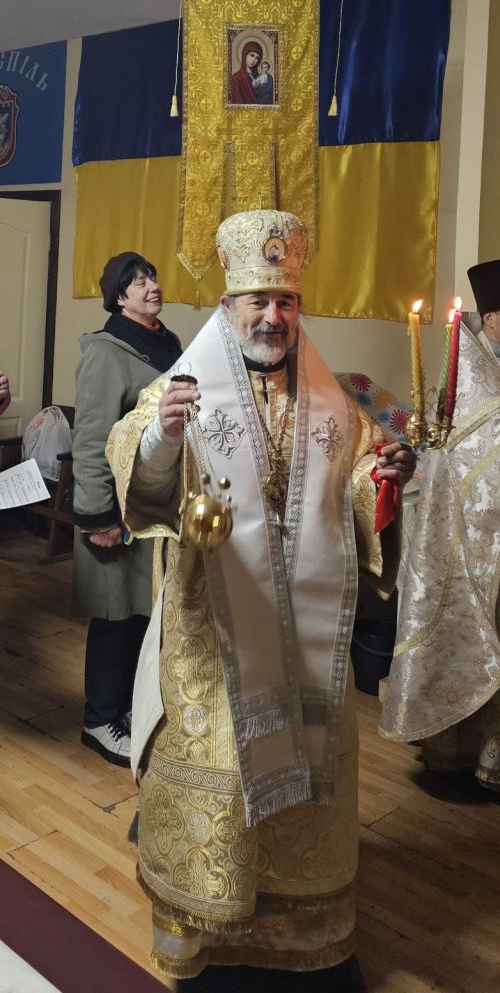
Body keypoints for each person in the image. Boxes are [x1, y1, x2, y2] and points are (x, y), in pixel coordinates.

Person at [106, 210, 416, 990]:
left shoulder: (331, 400)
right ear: (228, 306)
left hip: (306, 641)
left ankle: (302, 945)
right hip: (213, 638)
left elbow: (356, 475)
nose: (272, 316)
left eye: (285, 301)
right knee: (213, 773)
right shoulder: (181, 387)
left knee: (306, 790)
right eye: (257, 301)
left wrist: (382, 482)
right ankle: (203, 941)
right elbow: (137, 469)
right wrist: (163, 437)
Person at [381, 257, 500, 791]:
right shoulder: (468, 379)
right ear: (490, 318)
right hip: (474, 544)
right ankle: (469, 755)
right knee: (482, 640)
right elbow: (471, 463)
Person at [73, 251, 182, 767]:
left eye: (152, 277)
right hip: (116, 511)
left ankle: (130, 710)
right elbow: (91, 439)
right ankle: (99, 721)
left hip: (155, 506)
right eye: (137, 282)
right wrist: (98, 517)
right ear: (119, 298)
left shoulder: (167, 345)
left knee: (144, 615)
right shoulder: (106, 351)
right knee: (115, 617)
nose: (151, 286)